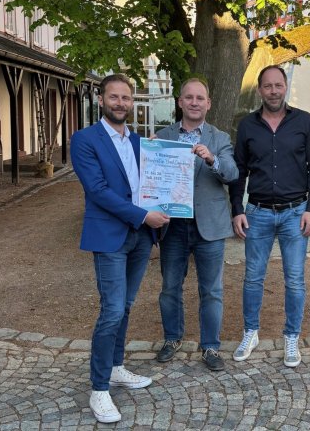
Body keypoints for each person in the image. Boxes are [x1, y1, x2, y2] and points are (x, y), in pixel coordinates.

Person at [70, 73, 171, 423]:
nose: (120, 103)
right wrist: (144, 216)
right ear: (101, 100)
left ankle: (115, 367)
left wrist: (165, 158)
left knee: (125, 306)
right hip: (111, 236)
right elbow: (98, 191)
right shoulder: (85, 140)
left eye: (126, 98)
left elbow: (156, 180)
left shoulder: (140, 142)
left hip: (140, 238)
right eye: (113, 97)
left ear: (132, 101)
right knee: (112, 310)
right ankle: (99, 389)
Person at [228, 65, 310, 368]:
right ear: (260, 90)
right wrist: (237, 209)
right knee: (253, 277)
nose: (273, 91)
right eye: (267, 86)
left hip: (295, 212)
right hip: (257, 213)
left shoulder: (304, 122)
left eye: (278, 85)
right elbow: (239, 170)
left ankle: (291, 336)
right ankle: (251, 332)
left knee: (295, 280)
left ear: (285, 87)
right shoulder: (247, 125)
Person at [152, 78, 238, 371]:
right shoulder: (163, 136)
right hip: (173, 225)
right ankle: (172, 338)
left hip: (209, 226)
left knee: (211, 290)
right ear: (180, 102)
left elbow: (232, 173)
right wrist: (150, 156)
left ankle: (210, 346)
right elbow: (150, 181)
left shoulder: (220, 138)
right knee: (169, 287)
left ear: (208, 104)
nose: (194, 102)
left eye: (200, 98)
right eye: (188, 97)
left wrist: (212, 159)